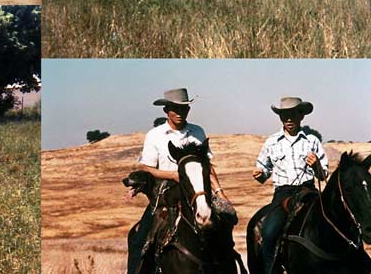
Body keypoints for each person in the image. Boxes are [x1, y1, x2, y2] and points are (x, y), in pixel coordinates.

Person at [127, 88, 234, 272]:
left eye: (184, 108)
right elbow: (147, 168)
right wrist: (174, 175)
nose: (180, 113)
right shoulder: (155, 135)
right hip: (165, 193)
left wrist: (220, 193)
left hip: (196, 190)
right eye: (175, 109)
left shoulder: (197, 132)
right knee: (141, 238)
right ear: (166, 110)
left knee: (226, 222)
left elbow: (207, 166)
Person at [252, 96, 328, 274]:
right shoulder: (271, 142)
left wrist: (316, 165)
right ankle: (271, 270)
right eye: (284, 115)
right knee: (269, 233)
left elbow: (323, 175)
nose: (288, 119)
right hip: (283, 195)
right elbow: (263, 172)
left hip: (309, 192)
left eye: (293, 114)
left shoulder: (312, 141)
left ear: (301, 116)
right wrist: (259, 175)